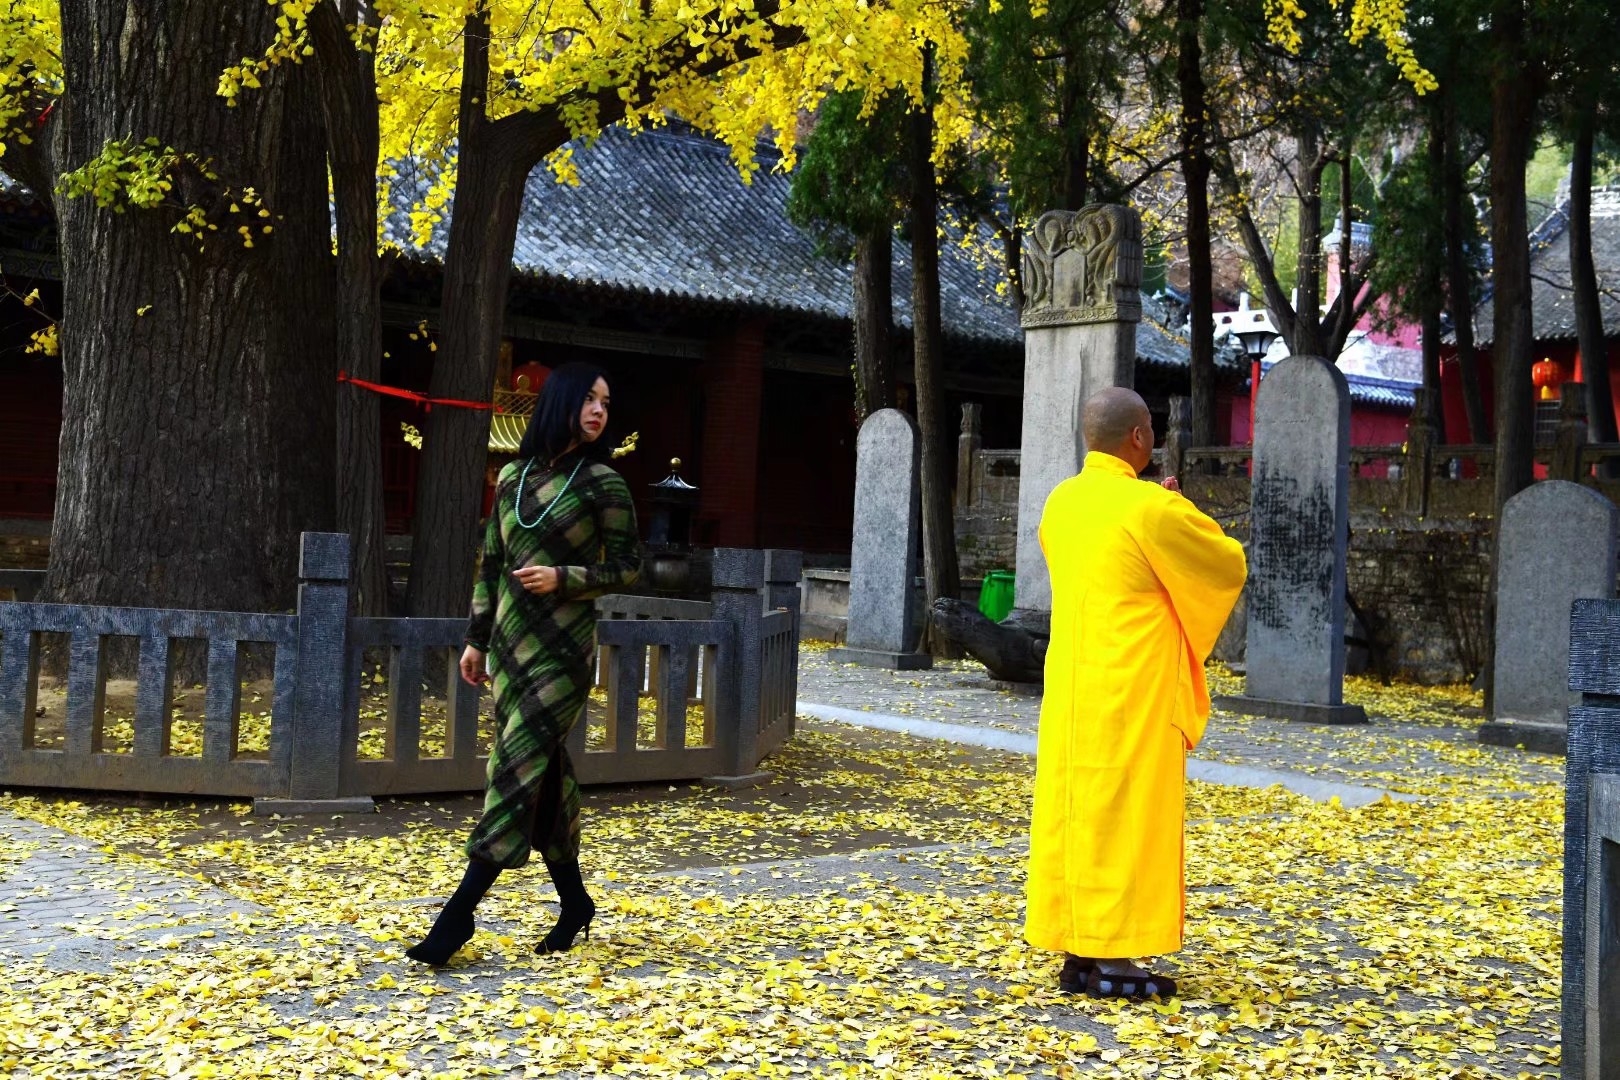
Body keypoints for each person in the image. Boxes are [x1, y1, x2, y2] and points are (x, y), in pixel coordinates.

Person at [406, 362, 642, 966]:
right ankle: (575, 902)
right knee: (544, 775)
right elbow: (490, 565)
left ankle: (457, 917)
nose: (599, 411)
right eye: (589, 399)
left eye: (606, 403)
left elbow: (626, 568)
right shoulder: (511, 477)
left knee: (512, 770)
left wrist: (565, 577)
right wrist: (476, 640)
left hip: (563, 654)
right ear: (560, 402)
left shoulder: (605, 484)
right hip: (510, 649)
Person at [1024, 386, 1246, 1000]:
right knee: (1126, 818)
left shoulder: (1061, 503)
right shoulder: (1150, 508)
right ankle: (1114, 954)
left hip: (1073, 688)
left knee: (1079, 814)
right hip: (1133, 690)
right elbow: (1224, 563)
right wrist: (1180, 510)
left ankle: (1080, 945)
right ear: (1140, 438)